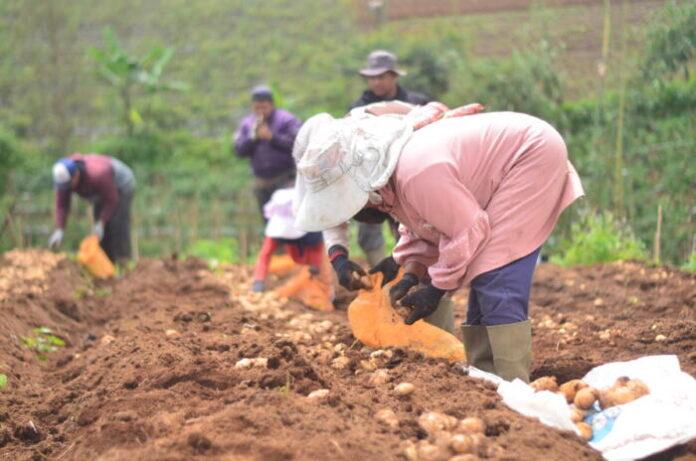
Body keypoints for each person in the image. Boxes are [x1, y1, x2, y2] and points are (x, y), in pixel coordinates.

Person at [292, 103, 584, 382]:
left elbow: (468, 228)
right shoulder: (389, 178)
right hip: (511, 158)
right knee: (483, 274)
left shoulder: (416, 172)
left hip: (530, 155)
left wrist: (436, 288)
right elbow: (427, 227)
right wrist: (411, 273)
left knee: (494, 271)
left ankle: (512, 383)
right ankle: (487, 377)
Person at [347, 50, 431, 266]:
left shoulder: (417, 103)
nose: (376, 82)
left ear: (394, 76)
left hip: (408, 177)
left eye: (381, 76)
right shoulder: (359, 108)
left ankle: (409, 275)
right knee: (368, 233)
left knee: (410, 231)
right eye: (372, 77)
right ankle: (381, 278)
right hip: (372, 179)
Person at [48, 154, 136, 264]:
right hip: (99, 191)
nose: (68, 188)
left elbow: (111, 200)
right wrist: (59, 229)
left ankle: (123, 262)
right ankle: (106, 265)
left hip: (121, 184)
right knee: (99, 231)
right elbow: (62, 205)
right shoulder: (65, 180)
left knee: (117, 224)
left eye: (69, 184)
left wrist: (102, 222)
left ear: (76, 174)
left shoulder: (97, 175)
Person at [234, 85, 302, 219]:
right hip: (262, 184)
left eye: (264, 107)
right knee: (268, 221)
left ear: (272, 105)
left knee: (288, 221)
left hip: (286, 181)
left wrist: (272, 137)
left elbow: (298, 144)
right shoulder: (247, 124)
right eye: (256, 108)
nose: (260, 111)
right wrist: (253, 138)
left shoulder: (286, 119)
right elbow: (239, 151)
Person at [251, 185, 327, 294]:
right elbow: (265, 254)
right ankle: (259, 282)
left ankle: (315, 282)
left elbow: (317, 251)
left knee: (304, 261)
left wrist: (315, 268)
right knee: (299, 257)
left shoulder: (313, 228)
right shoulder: (280, 206)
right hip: (295, 232)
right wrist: (258, 281)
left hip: (297, 230)